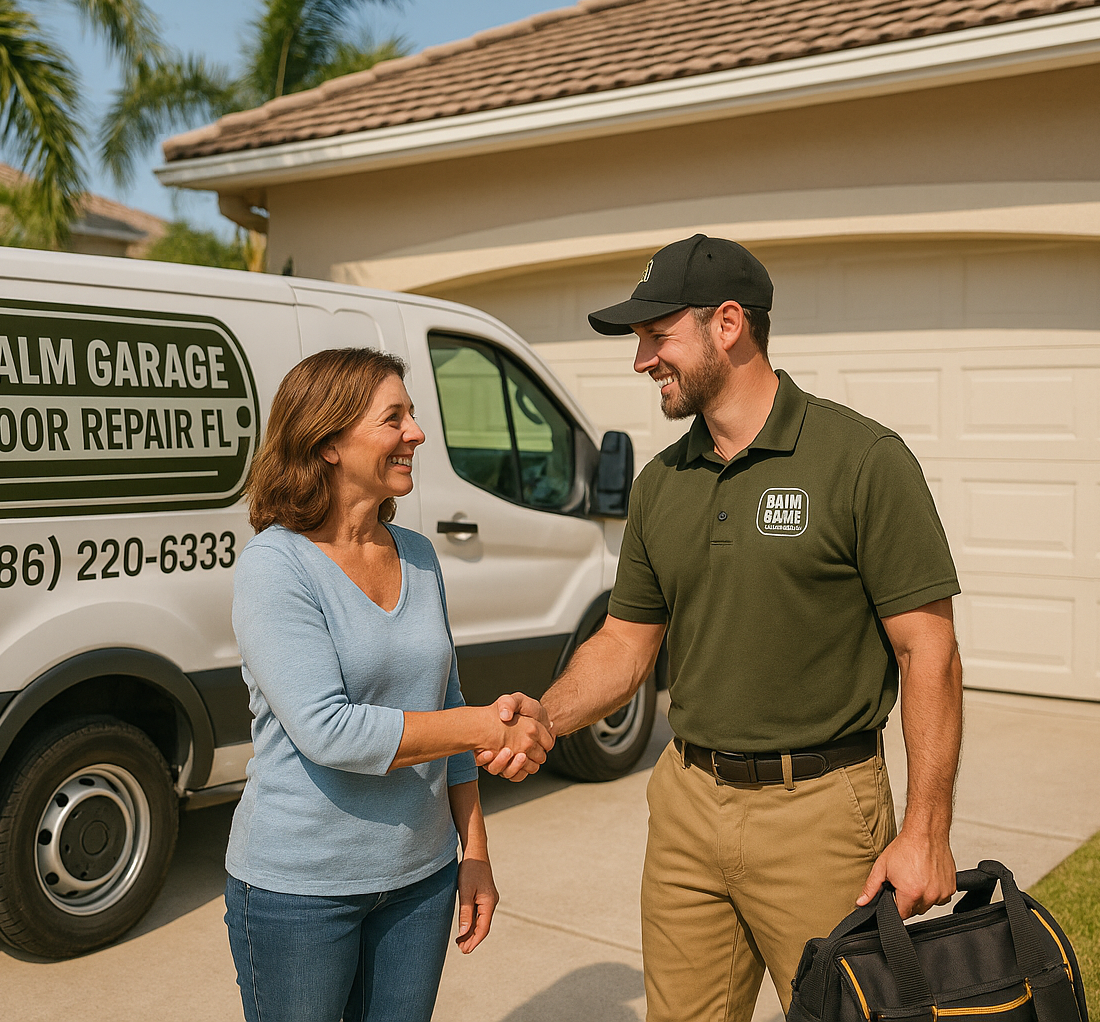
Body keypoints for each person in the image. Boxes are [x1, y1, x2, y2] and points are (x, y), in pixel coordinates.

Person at [481, 235, 965, 1019]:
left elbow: (929, 650)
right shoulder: (660, 484)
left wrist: (926, 831)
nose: (642, 361)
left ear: (728, 325)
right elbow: (625, 643)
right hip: (686, 806)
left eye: (656, 336)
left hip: (821, 813)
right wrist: (547, 715)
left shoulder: (863, 460)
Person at [226, 347, 553, 1022]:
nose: (417, 433)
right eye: (394, 417)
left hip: (420, 883)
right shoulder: (275, 566)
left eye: (411, 414)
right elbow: (329, 731)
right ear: (328, 444)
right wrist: (490, 726)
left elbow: (447, 704)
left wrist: (476, 853)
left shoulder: (420, 557)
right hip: (301, 894)